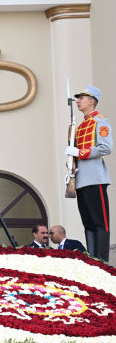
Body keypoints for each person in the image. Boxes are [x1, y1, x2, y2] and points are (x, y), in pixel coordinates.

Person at [65, 85, 112, 262]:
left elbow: (105, 147)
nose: (78, 101)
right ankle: (93, 259)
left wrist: (80, 153)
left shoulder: (100, 121)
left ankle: (102, 260)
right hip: (81, 179)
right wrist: (71, 166)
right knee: (88, 223)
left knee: (100, 223)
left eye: (81, 98)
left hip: (94, 178)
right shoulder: (81, 124)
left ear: (91, 101)